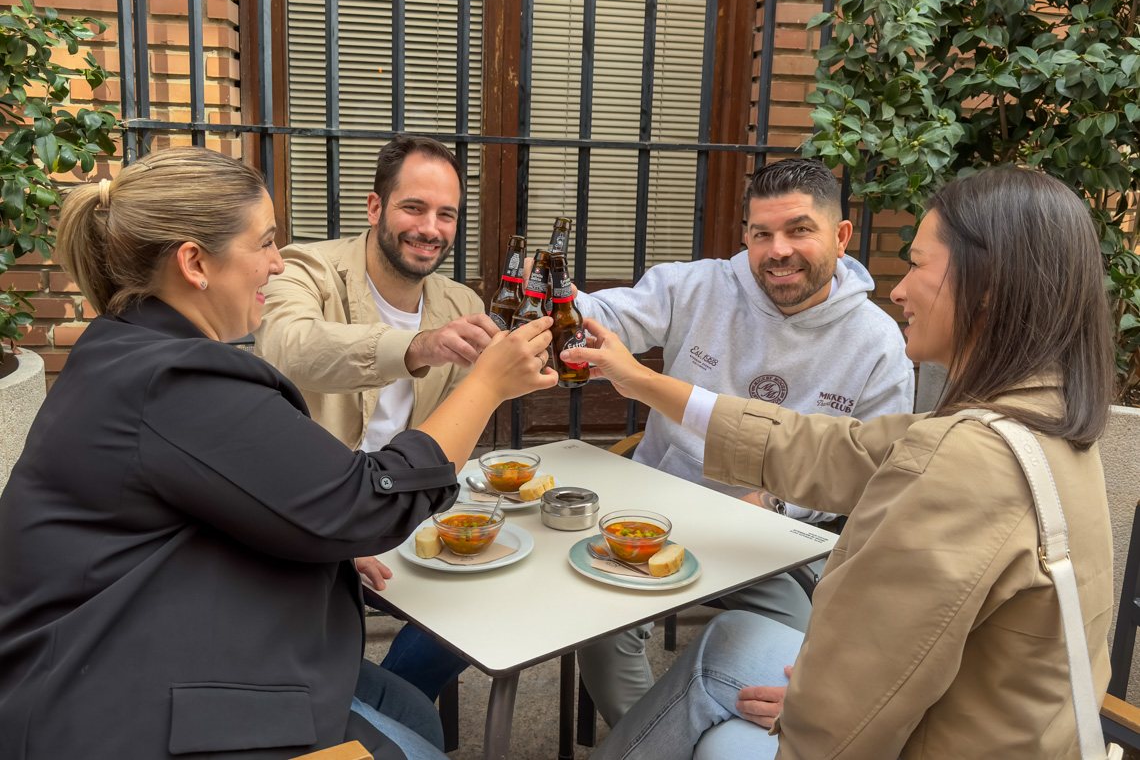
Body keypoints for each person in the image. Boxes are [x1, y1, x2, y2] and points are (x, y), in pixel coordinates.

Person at [0, 147, 558, 760]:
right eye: (265, 243)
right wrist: (487, 385)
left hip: (138, 631)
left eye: (446, 213)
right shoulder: (180, 378)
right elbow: (364, 502)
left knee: (413, 714)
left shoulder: (128, 345)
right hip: (107, 693)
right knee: (416, 741)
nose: (275, 263)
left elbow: (201, 506)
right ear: (194, 263)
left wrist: (319, 545)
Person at [575, 166, 1115, 759]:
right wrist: (642, 380)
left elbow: (857, 701)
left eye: (915, 263)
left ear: (988, 286)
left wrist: (808, 705)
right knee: (722, 642)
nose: (900, 289)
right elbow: (830, 448)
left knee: (720, 684)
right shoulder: (1037, 421)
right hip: (982, 712)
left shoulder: (964, 459)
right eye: (759, 234)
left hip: (931, 735)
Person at [569, 158, 914, 724]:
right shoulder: (702, 285)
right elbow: (608, 315)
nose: (778, 249)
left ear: (842, 236)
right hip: (661, 507)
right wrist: (563, 302)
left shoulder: (878, 346)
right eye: (761, 234)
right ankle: (647, 742)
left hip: (772, 535)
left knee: (801, 661)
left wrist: (781, 503)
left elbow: (877, 473)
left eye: (799, 230)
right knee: (600, 625)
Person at [254, 135, 498, 702]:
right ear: (374, 207)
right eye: (413, 207)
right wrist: (416, 347)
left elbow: (454, 430)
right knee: (317, 613)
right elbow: (290, 346)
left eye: (446, 214)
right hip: (311, 509)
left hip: (404, 505)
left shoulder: (462, 304)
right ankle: (371, 712)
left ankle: (385, 704)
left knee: (491, 594)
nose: (430, 228)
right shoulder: (304, 269)